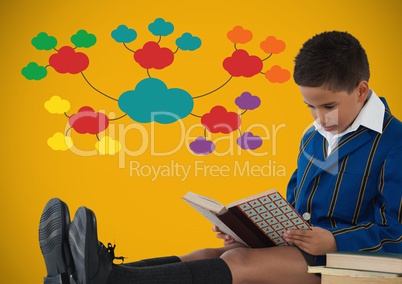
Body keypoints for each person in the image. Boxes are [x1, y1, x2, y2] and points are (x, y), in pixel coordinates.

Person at [38, 31, 402, 284]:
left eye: (329, 106)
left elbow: (397, 232)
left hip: (352, 262)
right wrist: (253, 230)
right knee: (206, 253)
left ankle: (102, 278)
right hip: (300, 250)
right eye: (310, 107)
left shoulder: (394, 142)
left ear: (361, 89)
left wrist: (335, 241)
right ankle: (88, 274)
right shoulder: (314, 137)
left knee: (238, 263)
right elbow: (295, 207)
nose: (320, 118)